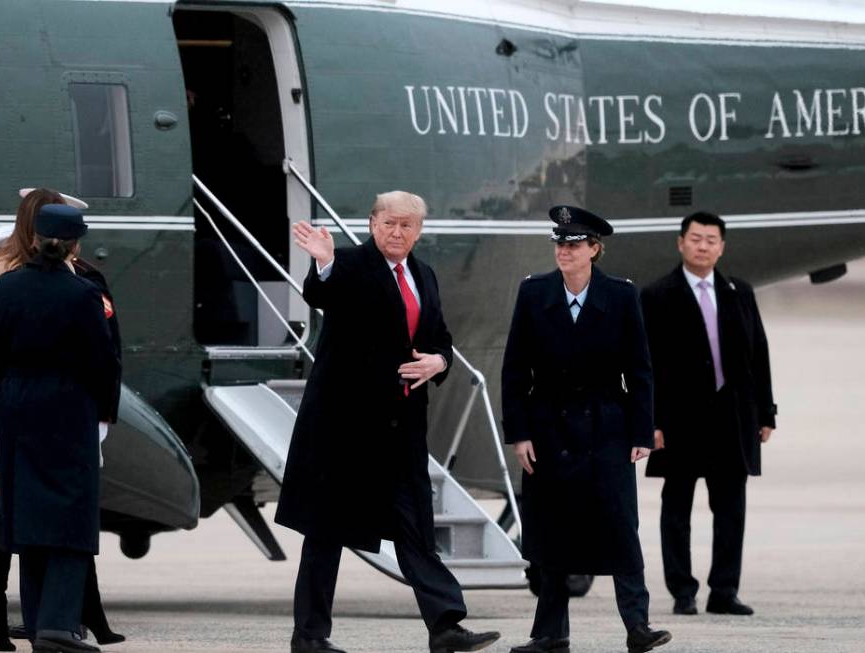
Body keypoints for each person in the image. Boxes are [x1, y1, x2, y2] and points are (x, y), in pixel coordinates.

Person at [274, 191, 500, 653]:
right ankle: (310, 637)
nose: (396, 233)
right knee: (327, 532)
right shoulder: (352, 266)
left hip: (400, 429)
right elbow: (323, 294)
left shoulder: (424, 275)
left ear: (419, 231)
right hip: (345, 427)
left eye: (407, 226)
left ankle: (445, 627)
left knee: (416, 528)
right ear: (372, 223)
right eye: (388, 224)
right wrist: (323, 263)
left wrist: (439, 361)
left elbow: (439, 337)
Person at [501, 206, 671, 653]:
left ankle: (638, 625)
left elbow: (640, 370)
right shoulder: (534, 293)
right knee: (553, 532)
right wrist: (519, 433)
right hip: (549, 428)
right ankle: (549, 633)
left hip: (605, 428)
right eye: (560, 244)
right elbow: (515, 370)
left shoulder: (619, 295)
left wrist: (641, 431)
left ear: (595, 250)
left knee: (619, 526)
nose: (565, 251)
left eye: (574, 244)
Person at [0, 189, 125, 649]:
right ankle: (57, 624)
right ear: (74, 245)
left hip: (13, 409)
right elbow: (103, 360)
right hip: (67, 409)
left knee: (27, 519)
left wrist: (1, 408)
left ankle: (37, 622)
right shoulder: (84, 293)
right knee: (71, 521)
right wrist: (104, 413)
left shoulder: (6, 285)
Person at [642, 211, 777, 616]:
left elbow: (759, 355)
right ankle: (683, 591)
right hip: (679, 420)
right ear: (680, 243)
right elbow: (645, 364)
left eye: (711, 240)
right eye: (696, 238)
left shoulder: (740, 291)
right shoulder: (657, 295)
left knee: (732, 509)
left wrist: (766, 413)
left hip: (732, 418)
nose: (703, 246)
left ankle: (724, 591)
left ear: (722, 247)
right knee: (677, 509)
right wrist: (651, 421)